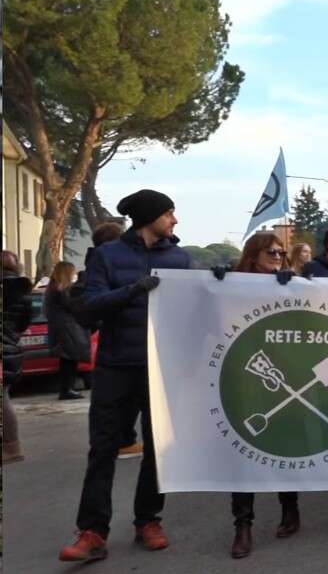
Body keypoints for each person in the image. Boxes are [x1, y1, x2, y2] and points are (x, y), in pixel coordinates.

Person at [60, 189, 192, 563]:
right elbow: (90, 304)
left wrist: (216, 283)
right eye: (169, 213)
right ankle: (92, 531)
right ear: (150, 217)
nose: (175, 220)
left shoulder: (181, 259)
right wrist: (134, 289)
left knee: (158, 450)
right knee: (102, 449)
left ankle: (148, 520)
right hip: (115, 367)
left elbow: (200, 309)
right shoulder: (106, 256)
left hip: (160, 368)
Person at [210, 233, 302, 558]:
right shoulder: (231, 284)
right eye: (271, 252)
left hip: (285, 371)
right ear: (253, 254)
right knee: (243, 452)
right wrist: (216, 283)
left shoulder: (290, 283)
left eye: (281, 252)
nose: (278, 257)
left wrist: (296, 286)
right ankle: (243, 525)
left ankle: (290, 508)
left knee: (284, 445)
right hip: (242, 379)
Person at [73, 223, 142, 458]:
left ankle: (120, 440)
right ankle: (124, 440)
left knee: (114, 404)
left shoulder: (91, 266)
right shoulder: (107, 264)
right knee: (125, 399)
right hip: (120, 346)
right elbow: (91, 307)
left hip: (110, 345)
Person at [2, 250, 34, 464]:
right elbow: (24, 323)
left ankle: (12, 447)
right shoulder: (23, 292)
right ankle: (11, 446)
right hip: (10, 346)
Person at [44, 262, 90, 400]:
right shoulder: (60, 290)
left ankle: (67, 389)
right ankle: (67, 389)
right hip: (66, 328)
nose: (74, 275)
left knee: (67, 359)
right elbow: (73, 305)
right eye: (73, 272)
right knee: (70, 359)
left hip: (61, 328)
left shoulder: (53, 288)